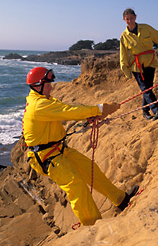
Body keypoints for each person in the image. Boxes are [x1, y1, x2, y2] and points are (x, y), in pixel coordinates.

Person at [22, 66, 139, 226]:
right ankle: (91, 225)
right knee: (76, 186)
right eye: (48, 83)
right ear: (38, 85)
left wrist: (90, 116)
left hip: (59, 150)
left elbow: (67, 111)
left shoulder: (45, 101)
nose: (51, 86)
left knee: (91, 170)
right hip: (47, 157)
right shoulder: (39, 105)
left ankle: (121, 200)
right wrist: (99, 109)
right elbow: (69, 111)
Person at [120, 8, 158, 121]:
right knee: (146, 90)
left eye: (131, 18)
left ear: (135, 17)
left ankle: (144, 111)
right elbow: (122, 55)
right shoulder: (124, 36)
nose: (130, 21)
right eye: (127, 19)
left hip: (150, 63)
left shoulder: (146, 28)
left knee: (148, 88)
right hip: (136, 66)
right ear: (124, 20)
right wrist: (126, 70)